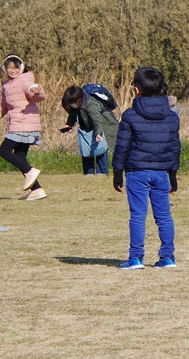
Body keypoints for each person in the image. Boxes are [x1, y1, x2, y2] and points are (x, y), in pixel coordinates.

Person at [112, 66, 181, 269]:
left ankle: (136, 258)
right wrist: (173, 173)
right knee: (164, 216)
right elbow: (174, 147)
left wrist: (117, 172)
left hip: (136, 172)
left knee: (137, 216)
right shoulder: (171, 117)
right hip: (162, 173)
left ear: (136, 90)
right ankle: (168, 256)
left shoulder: (130, 116)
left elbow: (122, 146)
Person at [1, 55, 47, 201]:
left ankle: (30, 171)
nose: (12, 71)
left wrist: (36, 89)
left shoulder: (25, 80)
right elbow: (3, 106)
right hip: (19, 123)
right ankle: (37, 190)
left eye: (15, 67)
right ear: (5, 69)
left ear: (20, 67)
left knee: (3, 150)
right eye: (9, 68)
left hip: (24, 123)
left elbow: (34, 92)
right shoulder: (6, 85)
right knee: (20, 157)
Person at [59, 84, 120, 175]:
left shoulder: (91, 104)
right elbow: (72, 114)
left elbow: (97, 120)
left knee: (100, 151)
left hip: (101, 128)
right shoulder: (76, 104)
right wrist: (69, 125)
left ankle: (102, 174)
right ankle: (88, 174)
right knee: (86, 152)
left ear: (78, 100)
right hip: (87, 130)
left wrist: (98, 133)